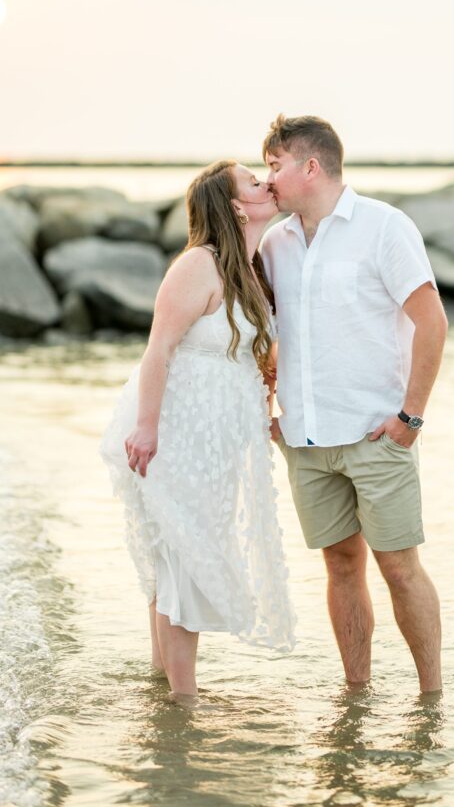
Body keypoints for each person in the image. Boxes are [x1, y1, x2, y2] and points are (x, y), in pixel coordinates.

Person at [261, 114, 447, 693]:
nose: (268, 181)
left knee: (398, 567)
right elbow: (266, 333)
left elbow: (431, 323)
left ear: (310, 166)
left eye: (275, 166)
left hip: (377, 433)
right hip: (306, 443)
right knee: (340, 566)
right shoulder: (274, 242)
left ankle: (431, 699)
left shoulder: (385, 227)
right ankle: (357, 694)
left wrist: (410, 416)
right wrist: (270, 404)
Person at [100, 160, 295, 699]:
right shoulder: (197, 265)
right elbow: (158, 349)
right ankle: (183, 707)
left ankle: (164, 692)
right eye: (253, 182)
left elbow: (252, 359)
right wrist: (146, 428)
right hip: (176, 430)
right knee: (184, 556)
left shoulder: (250, 269)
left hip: (217, 438)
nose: (266, 184)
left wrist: (269, 414)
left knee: (180, 554)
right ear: (235, 206)